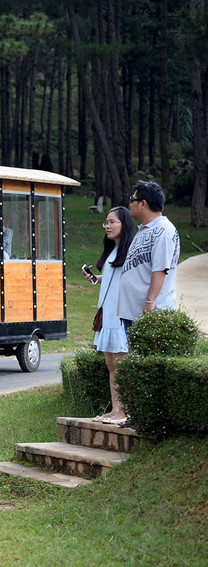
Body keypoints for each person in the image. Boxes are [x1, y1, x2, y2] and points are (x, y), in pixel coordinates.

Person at [86, 206, 136, 425]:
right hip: (107, 312)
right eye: (106, 222)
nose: (107, 226)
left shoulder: (132, 250)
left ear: (124, 224)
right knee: (110, 363)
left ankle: (124, 410)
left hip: (121, 313)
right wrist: (97, 278)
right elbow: (112, 277)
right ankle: (116, 409)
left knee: (121, 363)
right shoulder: (112, 250)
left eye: (112, 222)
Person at [117, 180, 180, 326]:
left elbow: (160, 269)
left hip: (150, 314)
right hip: (134, 312)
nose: (130, 204)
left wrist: (150, 302)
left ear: (143, 203)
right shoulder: (145, 230)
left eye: (133, 200)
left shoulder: (163, 230)